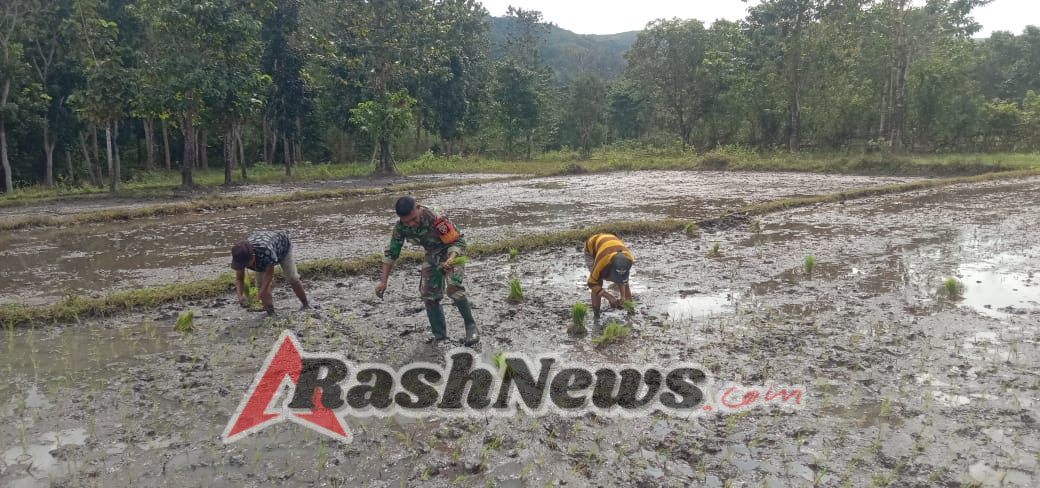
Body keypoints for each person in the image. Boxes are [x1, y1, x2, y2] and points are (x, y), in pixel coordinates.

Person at [376, 196, 479, 346]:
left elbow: (454, 241)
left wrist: (450, 259)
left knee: (453, 287)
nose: (412, 224)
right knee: (429, 294)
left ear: (418, 208)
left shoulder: (436, 218)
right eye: (407, 222)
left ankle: (471, 327)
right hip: (433, 252)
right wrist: (383, 281)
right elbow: (392, 253)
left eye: (414, 219)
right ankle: (440, 337)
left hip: (453, 248)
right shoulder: (401, 227)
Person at [231, 231, 309, 315]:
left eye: (246, 264)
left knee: (292, 277)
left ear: (253, 256)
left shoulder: (265, 251)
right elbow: (239, 279)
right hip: (264, 253)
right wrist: (240, 296)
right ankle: (271, 314)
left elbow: (269, 273)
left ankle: (306, 305)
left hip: (283, 247)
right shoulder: (240, 256)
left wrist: (260, 293)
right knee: (261, 285)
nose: (244, 266)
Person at [584, 233, 633, 314]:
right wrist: (609, 297)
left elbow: (624, 280)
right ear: (609, 268)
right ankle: (596, 314)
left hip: (610, 244)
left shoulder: (629, 259)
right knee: (598, 281)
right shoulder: (602, 262)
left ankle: (631, 312)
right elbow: (591, 283)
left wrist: (623, 297)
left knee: (625, 281)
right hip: (592, 248)